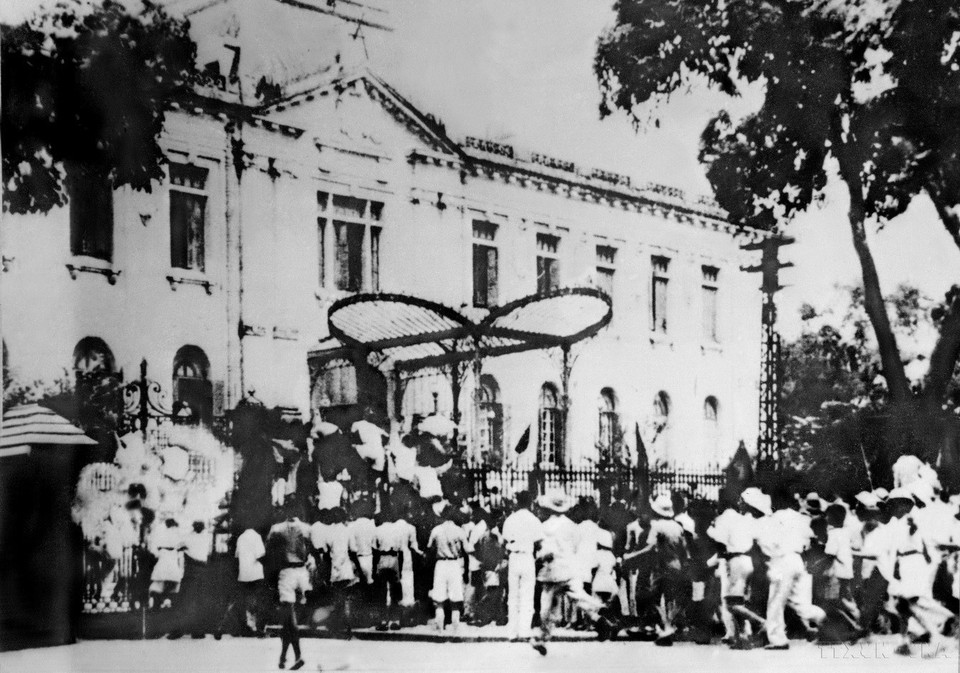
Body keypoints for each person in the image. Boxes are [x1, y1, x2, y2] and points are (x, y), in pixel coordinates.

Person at [532, 491, 605, 656]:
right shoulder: (572, 526)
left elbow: (545, 550)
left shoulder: (545, 527)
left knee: (547, 606)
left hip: (552, 571)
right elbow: (576, 546)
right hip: (569, 568)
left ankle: (542, 638)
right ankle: (599, 614)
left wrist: (539, 558)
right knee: (578, 596)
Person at [757, 491, 825, 650]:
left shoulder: (773, 519)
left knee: (776, 602)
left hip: (781, 560)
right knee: (800, 603)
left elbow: (766, 543)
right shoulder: (799, 518)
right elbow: (810, 539)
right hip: (797, 559)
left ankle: (778, 640)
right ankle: (824, 618)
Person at [623, 493, 688, 645]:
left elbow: (650, 548)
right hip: (676, 566)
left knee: (654, 598)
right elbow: (684, 551)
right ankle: (669, 626)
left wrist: (631, 556)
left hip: (661, 566)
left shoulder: (657, 526)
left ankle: (666, 627)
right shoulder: (678, 527)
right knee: (671, 598)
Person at [708, 487, 767, 649]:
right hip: (747, 560)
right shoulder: (742, 519)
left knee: (730, 604)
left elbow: (720, 543)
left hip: (733, 561)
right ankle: (742, 637)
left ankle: (761, 622)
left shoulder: (723, 519)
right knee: (739, 601)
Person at [267, 505, 313, 671]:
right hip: (303, 573)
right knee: (288, 621)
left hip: (287, 572)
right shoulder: (307, 528)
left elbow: (269, 551)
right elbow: (311, 549)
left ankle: (298, 655)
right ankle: (283, 656)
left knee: (288, 617)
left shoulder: (276, 529)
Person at [501, 491, 543, 641]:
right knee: (527, 595)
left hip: (514, 557)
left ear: (517, 502)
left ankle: (512, 632)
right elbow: (539, 542)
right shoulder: (534, 520)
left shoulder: (510, 519)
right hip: (527, 558)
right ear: (530, 502)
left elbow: (504, 540)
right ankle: (524, 631)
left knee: (513, 595)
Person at [217, 527, 266, 638]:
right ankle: (258, 629)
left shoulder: (241, 537)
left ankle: (222, 626)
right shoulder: (257, 536)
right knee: (257, 601)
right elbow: (260, 555)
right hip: (256, 574)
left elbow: (237, 556)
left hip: (243, 575)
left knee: (239, 601)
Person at [427, 506, 468, 633]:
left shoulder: (436, 530)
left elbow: (429, 547)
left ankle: (440, 629)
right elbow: (467, 549)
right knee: (455, 599)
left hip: (440, 564)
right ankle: (455, 630)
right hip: (454, 564)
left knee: (439, 599)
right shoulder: (459, 531)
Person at [149, 518, 185, 610]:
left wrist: (158, 553)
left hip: (166, 558)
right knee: (170, 581)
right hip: (170, 559)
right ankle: (165, 601)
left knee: (161, 581)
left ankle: (159, 602)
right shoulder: (175, 535)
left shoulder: (162, 535)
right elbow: (180, 551)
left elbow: (153, 549)